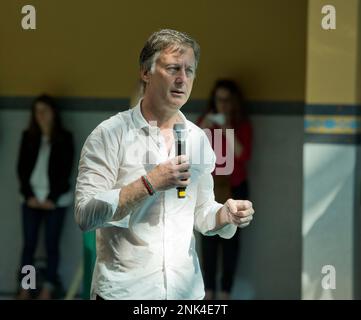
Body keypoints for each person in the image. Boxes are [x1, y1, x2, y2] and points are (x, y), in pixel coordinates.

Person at [75, 29, 255, 300]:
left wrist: (224, 216)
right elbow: (85, 214)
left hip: (186, 293)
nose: (182, 79)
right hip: (125, 292)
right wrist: (149, 183)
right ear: (145, 73)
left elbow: (202, 211)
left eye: (190, 71)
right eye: (173, 68)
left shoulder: (198, 139)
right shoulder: (109, 134)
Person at [198, 79, 253, 300]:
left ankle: (225, 294)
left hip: (235, 186)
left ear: (234, 102)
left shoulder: (242, 125)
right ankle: (208, 293)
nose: (222, 105)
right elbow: (190, 145)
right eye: (218, 100)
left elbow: (243, 155)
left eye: (227, 100)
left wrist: (226, 129)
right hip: (209, 188)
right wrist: (208, 125)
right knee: (208, 239)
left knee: (231, 244)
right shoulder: (207, 121)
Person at [16, 94, 74, 300]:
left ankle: (47, 289)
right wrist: (29, 196)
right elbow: (21, 170)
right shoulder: (29, 137)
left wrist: (52, 198)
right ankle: (26, 287)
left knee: (51, 245)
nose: (40, 115)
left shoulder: (64, 138)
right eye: (37, 111)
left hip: (55, 202)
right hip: (30, 199)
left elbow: (65, 172)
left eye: (45, 111)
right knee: (29, 245)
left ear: (53, 113)